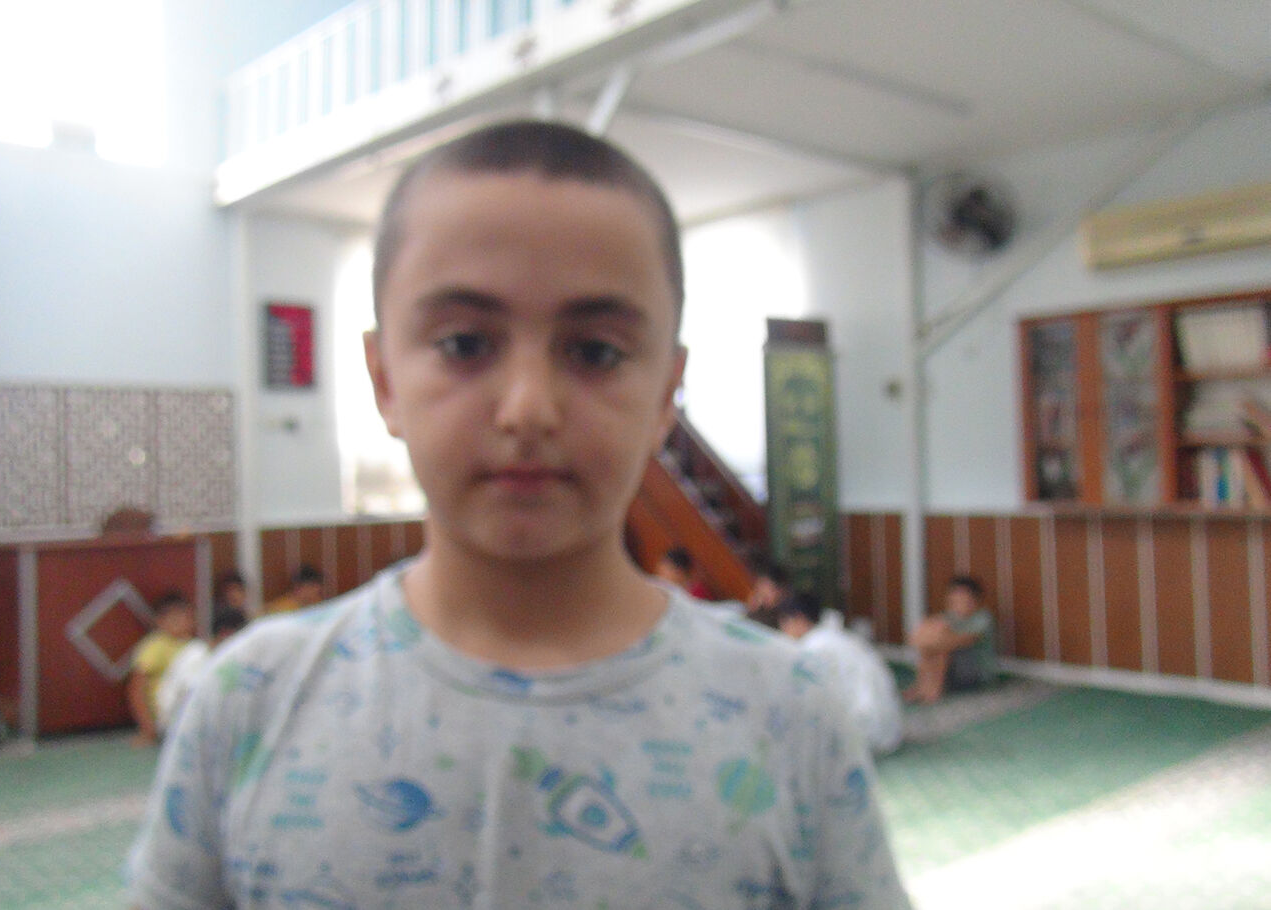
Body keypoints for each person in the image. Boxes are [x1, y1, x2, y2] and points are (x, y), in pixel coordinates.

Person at [127, 119, 910, 909]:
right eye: (465, 344)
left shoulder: (790, 714)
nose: (528, 408)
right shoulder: (251, 699)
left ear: (666, 393)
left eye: (596, 351)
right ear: (384, 378)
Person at [778, 595, 903, 755]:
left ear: (799, 619)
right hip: (885, 726)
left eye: (784, 623)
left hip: (865, 731)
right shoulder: (832, 637)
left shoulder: (814, 647)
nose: (783, 631)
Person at [154, 606, 249, 737]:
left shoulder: (222, 657)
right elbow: (193, 702)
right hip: (176, 729)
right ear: (226, 634)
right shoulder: (196, 656)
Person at [902, 574, 997, 704]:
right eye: (954, 601)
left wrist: (931, 640)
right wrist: (930, 637)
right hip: (953, 671)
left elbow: (963, 640)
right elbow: (916, 637)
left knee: (941, 648)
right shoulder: (950, 617)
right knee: (933, 643)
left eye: (962, 600)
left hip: (975, 674)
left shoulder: (982, 618)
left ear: (975, 601)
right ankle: (922, 687)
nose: (957, 605)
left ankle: (933, 691)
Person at [126, 592, 195, 746]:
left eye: (185, 618)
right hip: (164, 716)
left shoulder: (194, 647)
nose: (180, 623)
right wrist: (148, 727)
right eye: (174, 619)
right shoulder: (155, 646)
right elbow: (136, 689)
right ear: (159, 621)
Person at [744, 559, 790, 629]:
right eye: (758, 591)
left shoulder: (787, 615)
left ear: (781, 591)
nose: (761, 598)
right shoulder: (759, 609)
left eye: (766, 594)